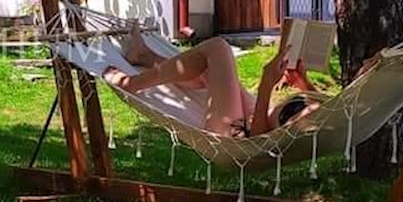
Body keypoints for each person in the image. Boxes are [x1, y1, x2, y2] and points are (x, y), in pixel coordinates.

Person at [103, 26, 323, 138]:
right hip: (252, 114)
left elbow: (263, 140)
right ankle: (144, 56)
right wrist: (303, 82)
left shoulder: (322, 125)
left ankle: (132, 84)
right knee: (210, 69)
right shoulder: (338, 111)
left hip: (237, 135)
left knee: (218, 48)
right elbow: (321, 107)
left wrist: (267, 84)